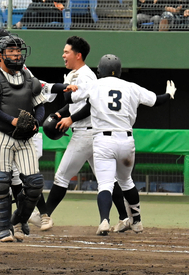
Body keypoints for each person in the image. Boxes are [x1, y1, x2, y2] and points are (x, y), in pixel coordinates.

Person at [29, 36, 128, 233]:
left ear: (78, 55)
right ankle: (125, 218)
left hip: (86, 133)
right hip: (91, 133)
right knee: (106, 179)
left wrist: (71, 119)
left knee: (61, 177)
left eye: (67, 52)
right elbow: (76, 102)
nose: (63, 55)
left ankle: (45, 216)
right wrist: (60, 113)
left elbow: (92, 105)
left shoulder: (86, 77)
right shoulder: (74, 75)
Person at [69, 54, 176, 235]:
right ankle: (137, 222)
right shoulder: (130, 86)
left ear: (100, 70)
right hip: (126, 140)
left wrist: (68, 86)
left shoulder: (94, 85)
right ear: (118, 71)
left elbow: (72, 99)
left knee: (105, 185)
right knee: (126, 182)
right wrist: (169, 95)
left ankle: (104, 221)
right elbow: (156, 101)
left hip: (103, 140)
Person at [0, 34, 47, 242]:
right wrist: (12, 121)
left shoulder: (30, 79)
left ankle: (18, 219)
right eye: (11, 51)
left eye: (18, 51)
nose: (16, 54)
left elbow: (40, 106)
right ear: (0, 55)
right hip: (1, 135)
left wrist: (37, 122)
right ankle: (3, 229)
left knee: (34, 184)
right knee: (0, 183)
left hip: (25, 138)